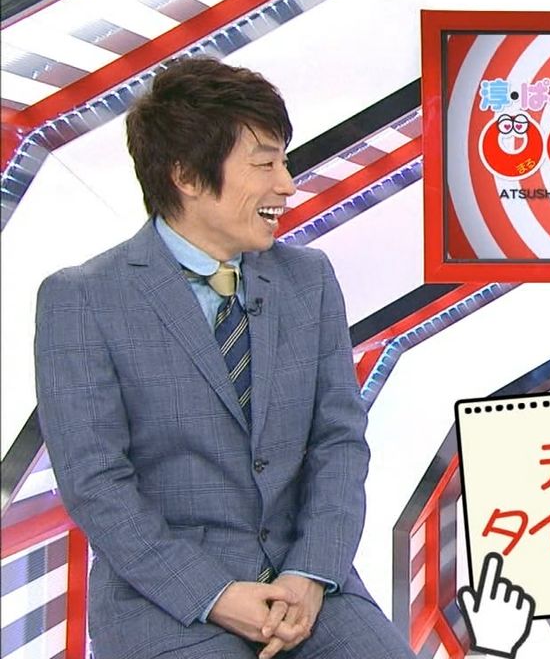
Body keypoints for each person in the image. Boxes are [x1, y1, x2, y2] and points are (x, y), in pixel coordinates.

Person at [34, 57, 416, 659]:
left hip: (305, 586)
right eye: (265, 164)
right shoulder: (83, 299)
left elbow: (339, 441)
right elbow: (95, 483)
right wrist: (213, 594)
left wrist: (310, 574)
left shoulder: (308, 279)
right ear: (187, 175)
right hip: (166, 601)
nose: (287, 185)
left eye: (283, 162)